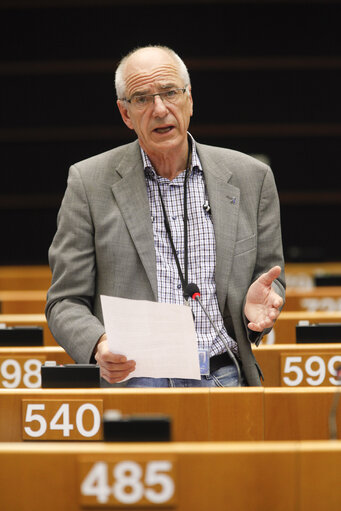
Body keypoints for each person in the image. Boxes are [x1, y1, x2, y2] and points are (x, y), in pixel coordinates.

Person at [45, 45, 285, 388]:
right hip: (134, 381)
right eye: (142, 98)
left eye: (170, 92)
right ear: (125, 114)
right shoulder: (89, 183)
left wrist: (254, 311)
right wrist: (99, 345)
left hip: (225, 377)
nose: (160, 109)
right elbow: (64, 301)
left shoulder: (251, 178)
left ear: (189, 100)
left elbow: (270, 279)